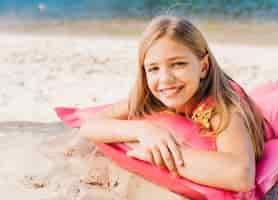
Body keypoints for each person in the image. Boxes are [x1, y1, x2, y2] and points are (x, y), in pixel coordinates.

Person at [76, 15, 267, 192]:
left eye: (178, 64)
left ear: (203, 67)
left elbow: (241, 175)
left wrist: (164, 154)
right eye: (153, 68)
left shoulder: (221, 107)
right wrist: (144, 131)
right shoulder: (151, 96)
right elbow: (89, 126)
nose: (165, 79)